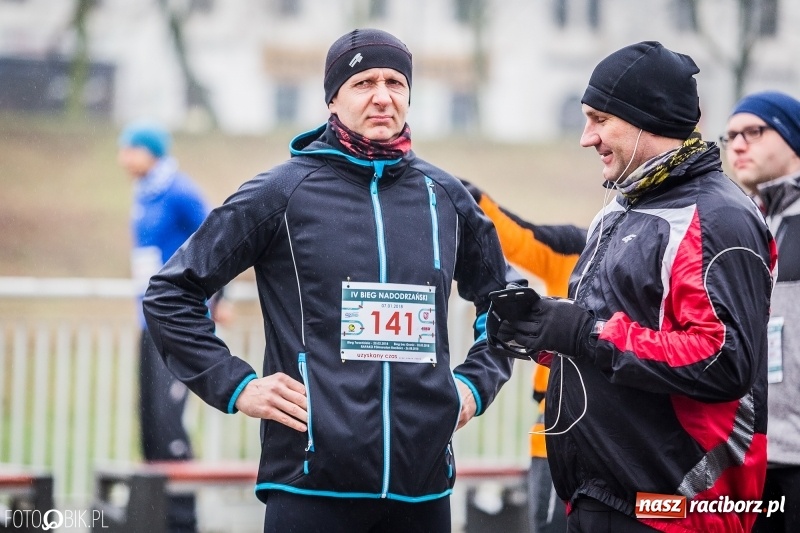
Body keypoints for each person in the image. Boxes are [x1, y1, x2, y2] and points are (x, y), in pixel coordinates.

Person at [142, 28, 518, 532]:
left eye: (395, 82)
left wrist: (476, 384)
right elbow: (170, 291)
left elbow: (506, 304)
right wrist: (237, 386)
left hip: (422, 487)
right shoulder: (281, 193)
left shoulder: (447, 198)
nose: (383, 96)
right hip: (310, 484)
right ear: (333, 98)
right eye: (363, 82)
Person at [487, 41, 776, 532]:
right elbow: (612, 334)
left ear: (648, 119)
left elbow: (724, 360)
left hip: (675, 508)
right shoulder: (620, 208)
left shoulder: (718, 216)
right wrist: (543, 334)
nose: (586, 137)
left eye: (599, 118)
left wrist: (585, 335)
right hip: (601, 494)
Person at [118, 120, 229, 533]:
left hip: (178, 324)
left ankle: (182, 523)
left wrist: (220, 299)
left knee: (170, 425)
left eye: (130, 149)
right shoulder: (143, 193)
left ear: (151, 152)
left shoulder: (178, 190)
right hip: (147, 320)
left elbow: (219, 240)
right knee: (149, 422)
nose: (122, 158)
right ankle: (153, 517)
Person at [462, 179, 584, 533]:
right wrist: (460, 191)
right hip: (557, 428)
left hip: (631, 437)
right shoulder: (580, 247)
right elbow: (513, 235)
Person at [721, 90, 800, 533]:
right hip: (749, 457)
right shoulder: (744, 224)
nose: (737, 144)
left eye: (754, 131)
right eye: (730, 135)